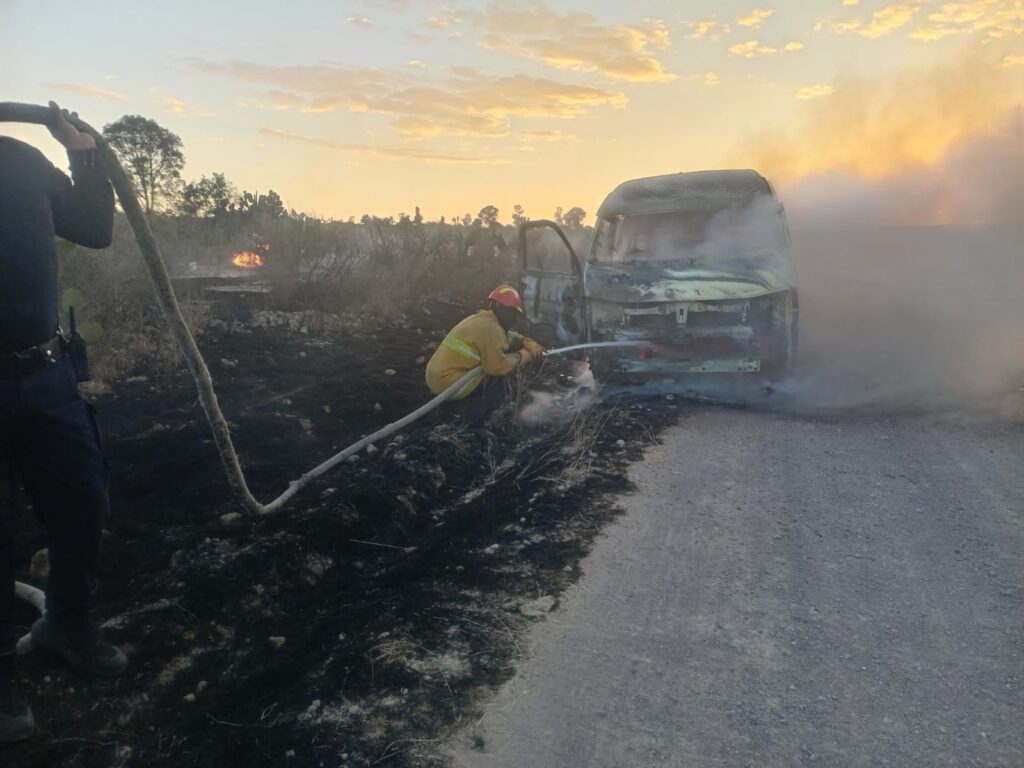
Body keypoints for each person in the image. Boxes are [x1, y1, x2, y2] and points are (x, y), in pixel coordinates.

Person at [1, 102, 126, 743]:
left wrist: (80, 151)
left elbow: (94, 228)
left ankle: (67, 625)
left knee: (82, 501)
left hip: (45, 374)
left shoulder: (20, 160)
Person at [425, 285, 545, 425]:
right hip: (448, 383)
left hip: (435, 377)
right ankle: (472, 424)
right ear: (505, 311)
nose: (515, 320)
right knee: (498, 384)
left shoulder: (479, 320)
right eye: (514, 315)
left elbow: (506, 335)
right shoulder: (491, 329)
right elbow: (497, 367)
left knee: (484, 377)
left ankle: (448, 412)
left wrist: (525, 341)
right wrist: (522, 355)